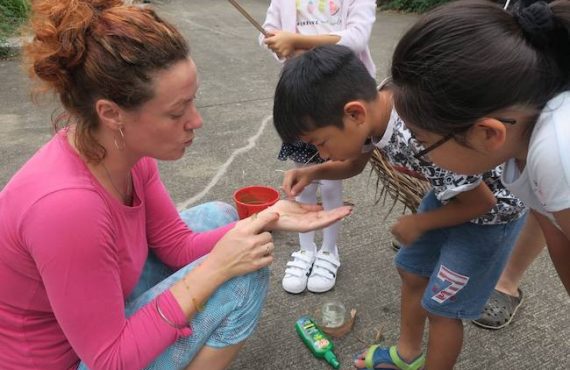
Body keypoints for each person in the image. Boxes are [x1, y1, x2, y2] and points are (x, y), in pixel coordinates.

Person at [0, 1, 352, 369]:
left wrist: (267, 218)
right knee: (240, 274)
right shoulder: (67, 208)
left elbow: (177, 247)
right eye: (176, 111)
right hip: (72, 359)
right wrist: (218, 267)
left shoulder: (118, 151)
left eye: (192, 102)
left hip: (90, 329)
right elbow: (110, 359)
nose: (196, 121)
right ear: (111, 113)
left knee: (220, 217)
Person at [273, 45, 527, 369]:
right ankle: (407, 355)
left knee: (442, 307)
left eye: (320, 143)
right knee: (410, 269)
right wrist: (313, 172)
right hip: (451, 194)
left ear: (354, 114)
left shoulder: (419, 134)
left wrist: (420, 223)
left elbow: (481, 203)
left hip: (491, 215)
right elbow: (354, 164)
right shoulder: (372, 111)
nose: (322, 154)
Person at [388, 0, 570, 296]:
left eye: (422, 142)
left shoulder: (558, 152)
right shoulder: (519, 153)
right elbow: (557, 236)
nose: (422, 154)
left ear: (487, 133)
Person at [258, 0, 376, 293]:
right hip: (301, 99)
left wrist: (297, 41)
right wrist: (277, 42)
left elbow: (356, 38)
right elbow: (268, 32)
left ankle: (329, 250)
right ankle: (306, 248)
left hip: (338, 99)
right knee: (304, 177)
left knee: (331, 178)